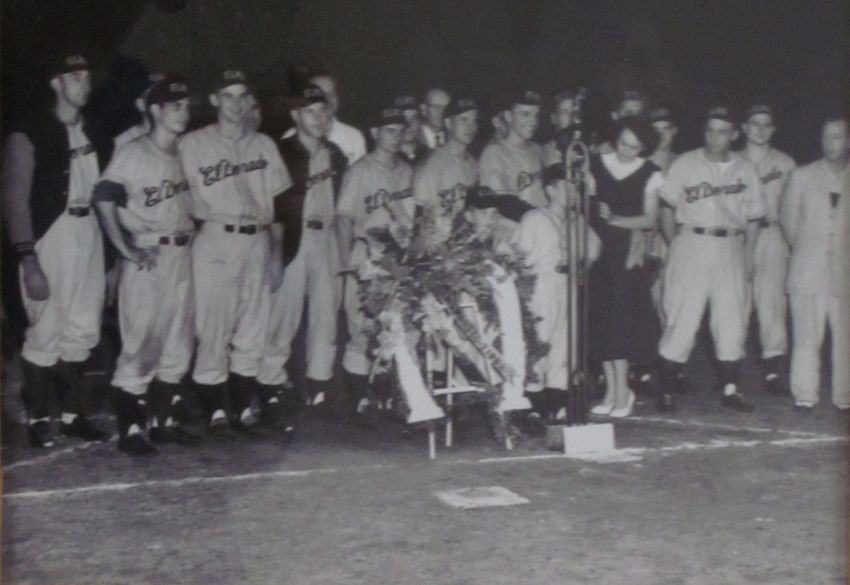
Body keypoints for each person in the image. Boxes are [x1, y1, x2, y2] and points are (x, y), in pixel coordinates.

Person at [2, 53, 111, 448]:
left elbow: (104, 194)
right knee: (44, 328)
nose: (84, 84)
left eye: (86, 76)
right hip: (53, 235)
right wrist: (28, 257)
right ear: (56, 83)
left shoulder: (92, 130)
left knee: (82, 329)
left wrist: (110, 256)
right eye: (75, 77)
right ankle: (37, 416)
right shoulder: (30, 131)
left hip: (90, 232)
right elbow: (14, 198)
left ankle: (72, 415)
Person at [178, 69, 290, 437]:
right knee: (213, 328)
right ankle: (215, 412)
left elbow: (279, 206)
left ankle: (242, 410)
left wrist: (276, 255)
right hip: (215, 236)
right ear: (214, 100)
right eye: (228, 95)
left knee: (253, 329)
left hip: (257, 239)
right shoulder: (192, 144)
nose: (236, 103)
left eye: (243, 96)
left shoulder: (264, 145)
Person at [93, 76, 198, 455]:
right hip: (149, 254)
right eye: (175, 106)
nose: (183, 112)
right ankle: (133, 429)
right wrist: (125, 250)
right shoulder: (135, 152)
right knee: (142, 342)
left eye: (185, 106)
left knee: (177, 343)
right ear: (155, 110)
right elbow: (104, 196)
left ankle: (165, 422)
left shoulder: (184, 151)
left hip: (181, 254)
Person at [656, 106, 766, 413]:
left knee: (732, 318)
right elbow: (665, 208)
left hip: (731, 243)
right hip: (693, 239)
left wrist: (748, 256)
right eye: (710, 130)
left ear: (734, 134)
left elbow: (755, 218)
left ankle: (730, 388)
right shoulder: (686, 162)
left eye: (721, 131)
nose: (714, 137)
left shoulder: (745, 168)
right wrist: (674, 243)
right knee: (683, 315)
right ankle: (665, 388)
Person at [258, 82, 347, 417]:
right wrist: (275, 252)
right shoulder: (284, 152)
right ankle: (271, 386)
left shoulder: (335, 154)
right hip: (296, 238)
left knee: (326, 317)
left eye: (322, 110)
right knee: (283, 316)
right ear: (296, 114)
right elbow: (275, 206)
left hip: (327, 237)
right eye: (310, 111)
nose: (318, 117)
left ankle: (319, 389)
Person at [336, 104, 414, 415]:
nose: (396, 137)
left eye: (400, 131)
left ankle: (385, 392)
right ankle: (358, 396)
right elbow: (343, 218)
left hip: (396, 255)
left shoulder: (405, 170)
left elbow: (410, 216)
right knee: (361, 324)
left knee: (394, 326)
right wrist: (345, 262)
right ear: (374, 133)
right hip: (365, 251)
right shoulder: (359, 171)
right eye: (389, 131)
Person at [586, 116, 663, 418]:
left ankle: (623, 392)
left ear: (644, 147)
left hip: (626, 253)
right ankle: (609, 391)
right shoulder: (594, 163)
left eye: (635, 147)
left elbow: (649, 219)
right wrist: (595, 209)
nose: (627, 151)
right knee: (601, 322)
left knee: (620, 324)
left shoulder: (651, 173)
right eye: (623, 144)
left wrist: (615, 218)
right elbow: (585, 203)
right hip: (597, 251)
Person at [512, 163, 601, 421]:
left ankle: (558, 400)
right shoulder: (534, 219)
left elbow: (594, 249)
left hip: (568, 280)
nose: (574, 190)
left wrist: (583, 265)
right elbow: (515, 255)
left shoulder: (577, 221)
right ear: (550, 190)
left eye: (576, 185)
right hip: (542, 281)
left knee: (565, 341)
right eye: (567, 185)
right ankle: (532, 399)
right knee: (540, 338)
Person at [780, 113, 849, 411]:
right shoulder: (802, 175)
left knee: (845, 338)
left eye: (836, 136)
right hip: (807, 270)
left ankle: (844, 396)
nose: (830, 143)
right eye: (825, 136)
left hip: (845, 272)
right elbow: (788, 222)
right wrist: (809, 249)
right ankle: (805, 393)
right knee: (806, 336)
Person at [738, 104, 796, 395]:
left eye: (766, 124)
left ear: (773, 129)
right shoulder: (732, 161)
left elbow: (796, 207)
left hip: (772, 234)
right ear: (745, 128)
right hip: (737, 237)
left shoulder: (785, 163)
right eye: (754, 123)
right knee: (736, 301)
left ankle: (773, 370)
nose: (760, 129)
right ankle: (731, 370)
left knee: (771, 303)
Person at [413, 97, 479, 245]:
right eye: (463, 120)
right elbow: (419, 215)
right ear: (448, 123)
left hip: (466, 242)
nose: (470, 127)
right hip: (436, 245)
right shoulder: (432, 163)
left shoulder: (472, 163)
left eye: (474, 121)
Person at [478, 89, 546, 217]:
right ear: (508, 116)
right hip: (513, 231)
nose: (533, 122)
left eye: (535, 115)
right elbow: (500, 207)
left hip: (542, 226)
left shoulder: (538, 150)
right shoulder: (494, 154)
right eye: (525, 114)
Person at [306, 67, 366, 165]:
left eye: (331, 93)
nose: (328, 100)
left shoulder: (354, 137)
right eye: (321, 94)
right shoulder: (292, 138)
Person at [597, 89, 649, 155]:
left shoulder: (646, 147)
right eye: (629, 113)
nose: (635, 119)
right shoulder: (604, 150)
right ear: (615, 116)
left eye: (638, 114)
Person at [395, 95, 428, 167]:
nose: (409, 125)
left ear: (420, 121)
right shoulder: (388, 159)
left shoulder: (430, 156)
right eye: (403, 119)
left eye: (414, 118)